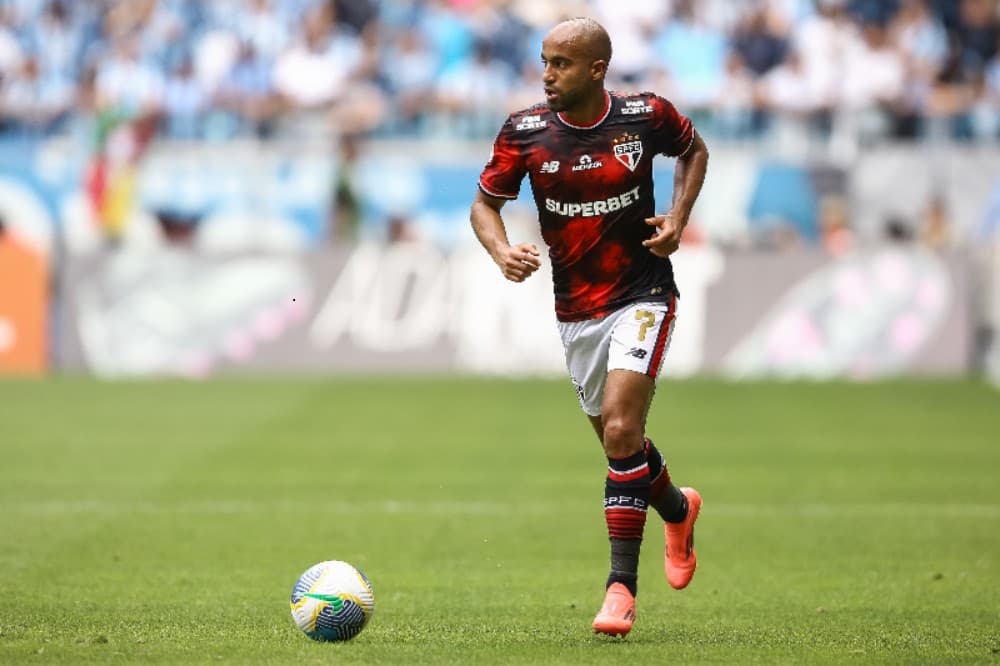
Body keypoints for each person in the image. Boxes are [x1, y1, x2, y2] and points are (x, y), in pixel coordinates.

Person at [469, 17, 709, 637]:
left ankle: (619, 592)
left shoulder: (644, 114)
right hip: (576, 310)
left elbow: (694, 150)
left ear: (597, 69)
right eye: (544, 62)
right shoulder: (524, 132)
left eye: (561, 64)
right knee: (618, 446)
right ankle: (679, 511)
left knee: (626, 428)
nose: (547, 74)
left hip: (643, 293)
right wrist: (500, 252)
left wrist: (678, 219)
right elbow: (485, 204)